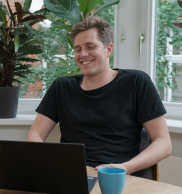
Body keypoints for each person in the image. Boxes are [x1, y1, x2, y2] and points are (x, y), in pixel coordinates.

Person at [26, 16, 172, 177]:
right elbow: (35, 135)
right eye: (77, 49)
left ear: (108, 49)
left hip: (118, 177)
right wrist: (51, 162)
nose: (83, 54)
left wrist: (126, 167)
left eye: (90, 46)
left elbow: (163, 143)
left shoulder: (136, 82)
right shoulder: (61, 87)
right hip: (72, 177)